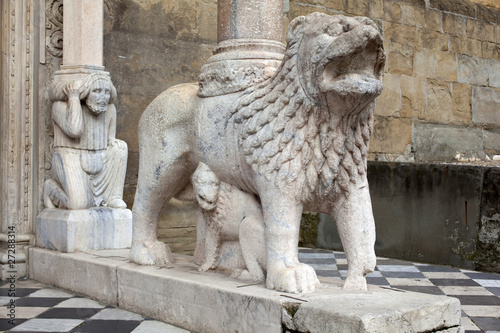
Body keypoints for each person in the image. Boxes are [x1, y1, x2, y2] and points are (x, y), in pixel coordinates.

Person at [44, 72, 127, 209]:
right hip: (71, 157)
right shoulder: (59, 106)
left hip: (100, 159)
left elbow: (110, 137)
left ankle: (113, 196)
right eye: (97, 91)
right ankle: (50, 189)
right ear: (86, 92)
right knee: (78, 205)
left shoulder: (110, 109)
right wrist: (74, 98)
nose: (103, 98)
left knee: (120, 147)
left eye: (107, 92)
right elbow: (75, 130)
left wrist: (113, 142)